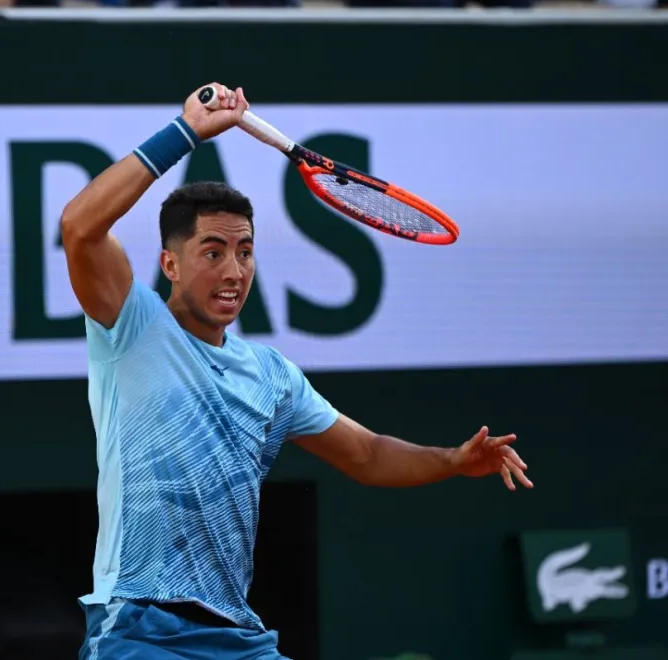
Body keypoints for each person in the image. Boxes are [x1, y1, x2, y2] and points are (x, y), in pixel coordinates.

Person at [60, 82, 533, 660]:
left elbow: (367, 454)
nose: (233, 270)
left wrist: (453, 461)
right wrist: (184, 133)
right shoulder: (132, 327)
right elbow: (80, 227)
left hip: (236, 634)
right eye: (212, 252)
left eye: (245, 251)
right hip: (139, 626)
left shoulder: (272, 376)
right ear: (170, 264)